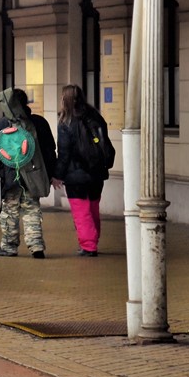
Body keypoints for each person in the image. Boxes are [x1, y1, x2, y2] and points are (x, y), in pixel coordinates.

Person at [0, 88, 61, 258]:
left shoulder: (2, 124)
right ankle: (36, 246)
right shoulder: (39, 123)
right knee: (32, 209)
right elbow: (49, 151)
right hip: (33, 175)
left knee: (10, 211)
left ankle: (9, 247)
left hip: (10, 177)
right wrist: (51, 174)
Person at [53, 84, 112, 256]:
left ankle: (88, 245)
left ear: (65, 100)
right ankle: (93, 240)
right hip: (97, 172)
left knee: (81, 211)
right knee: (93, 208)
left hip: (76, 175)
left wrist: (57, 175)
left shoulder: (65, 122)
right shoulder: (95, 116)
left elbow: (64, 153)